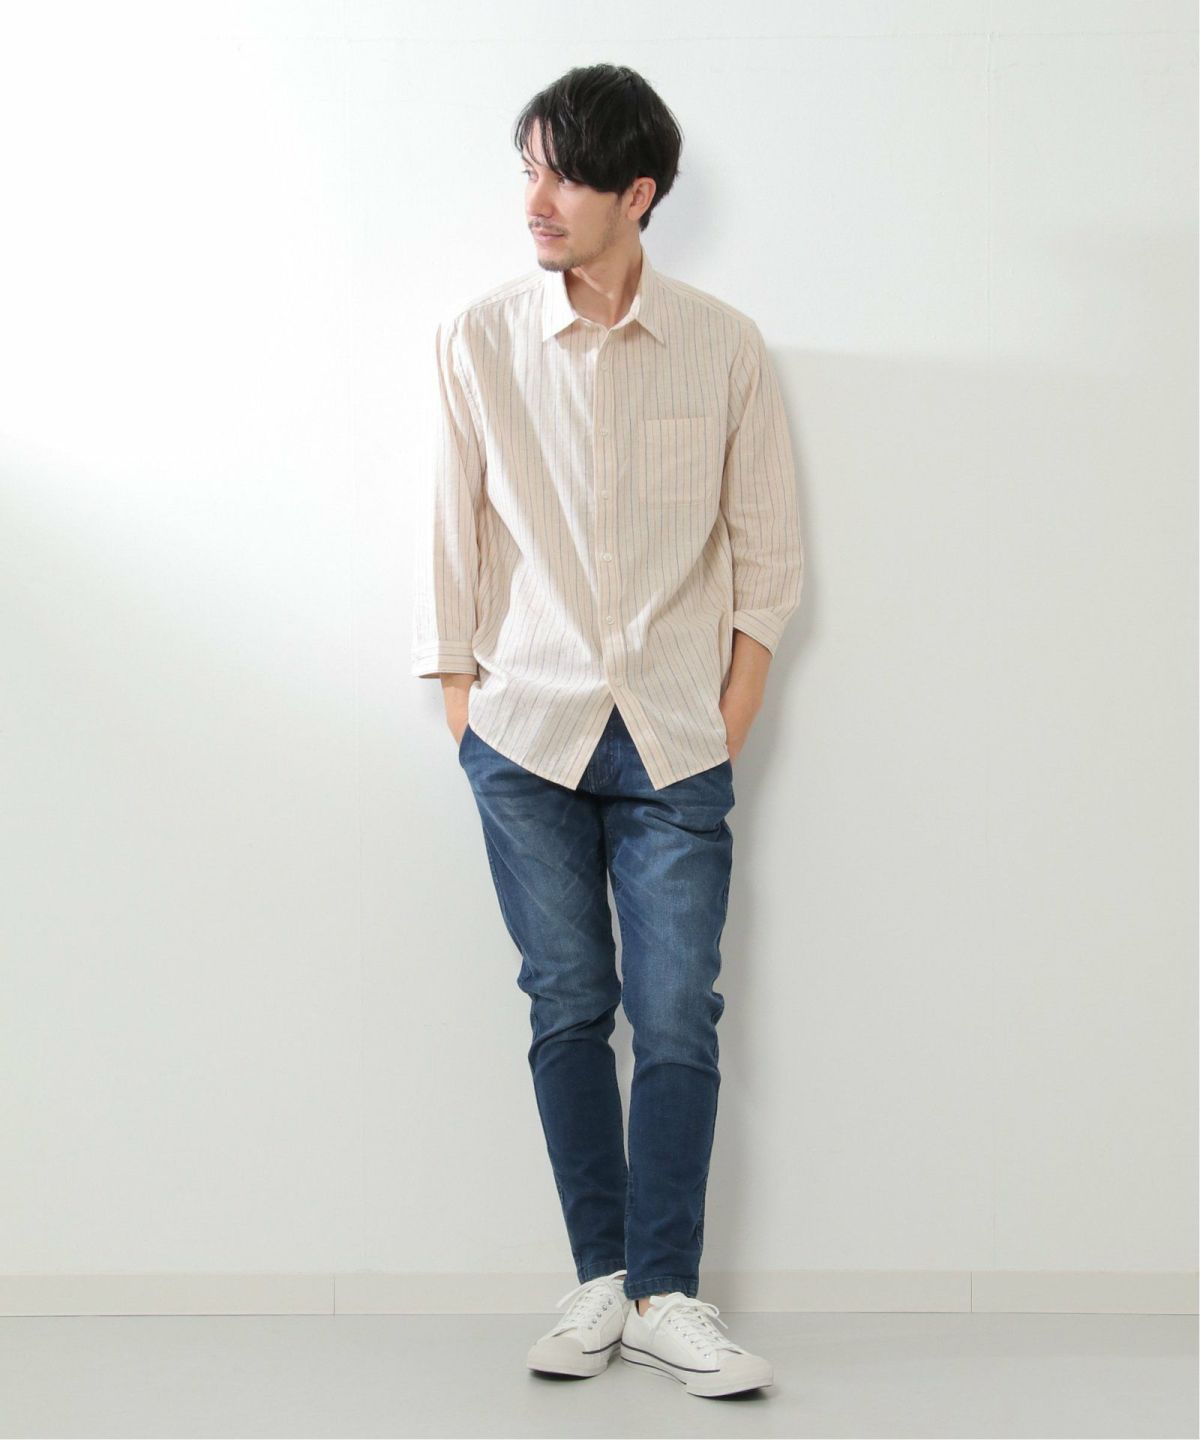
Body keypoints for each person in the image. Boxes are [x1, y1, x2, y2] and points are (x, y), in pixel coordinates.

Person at [411, 63, 804, 1400]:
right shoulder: (478, 342)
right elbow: (451, 538)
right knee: (568, 1001)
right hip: (525, 732)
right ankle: (600, 1281)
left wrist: (730, 714)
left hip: (678, 736)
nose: (539, 200)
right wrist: (462, 707)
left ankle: (666, 1295)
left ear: (638, 194)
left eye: (569, 175)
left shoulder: (724, 346)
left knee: (677, 1009)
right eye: (530, 169)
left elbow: (768, 556)